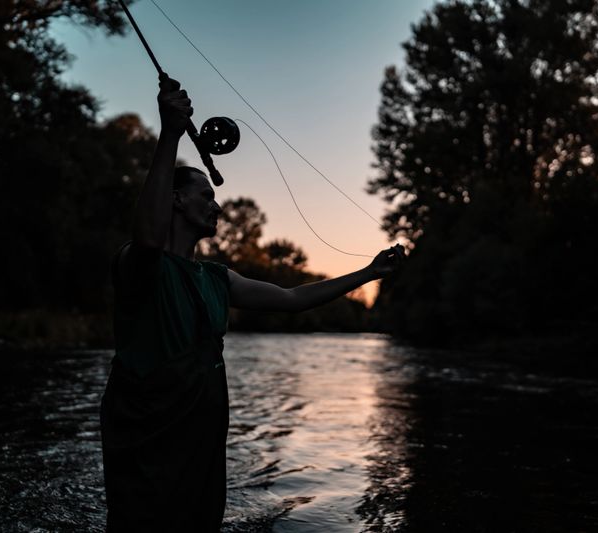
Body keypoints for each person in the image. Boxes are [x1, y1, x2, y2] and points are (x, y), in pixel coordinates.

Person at [99, 75, 406, 532]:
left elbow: (294, 298)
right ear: (176, 200)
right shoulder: (139, 264)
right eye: (207, 197)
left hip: (201, 444)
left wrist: (370, 272)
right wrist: (169, 132)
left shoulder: (219, 278)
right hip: (147, 445)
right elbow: (146, 236)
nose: (216, 207)